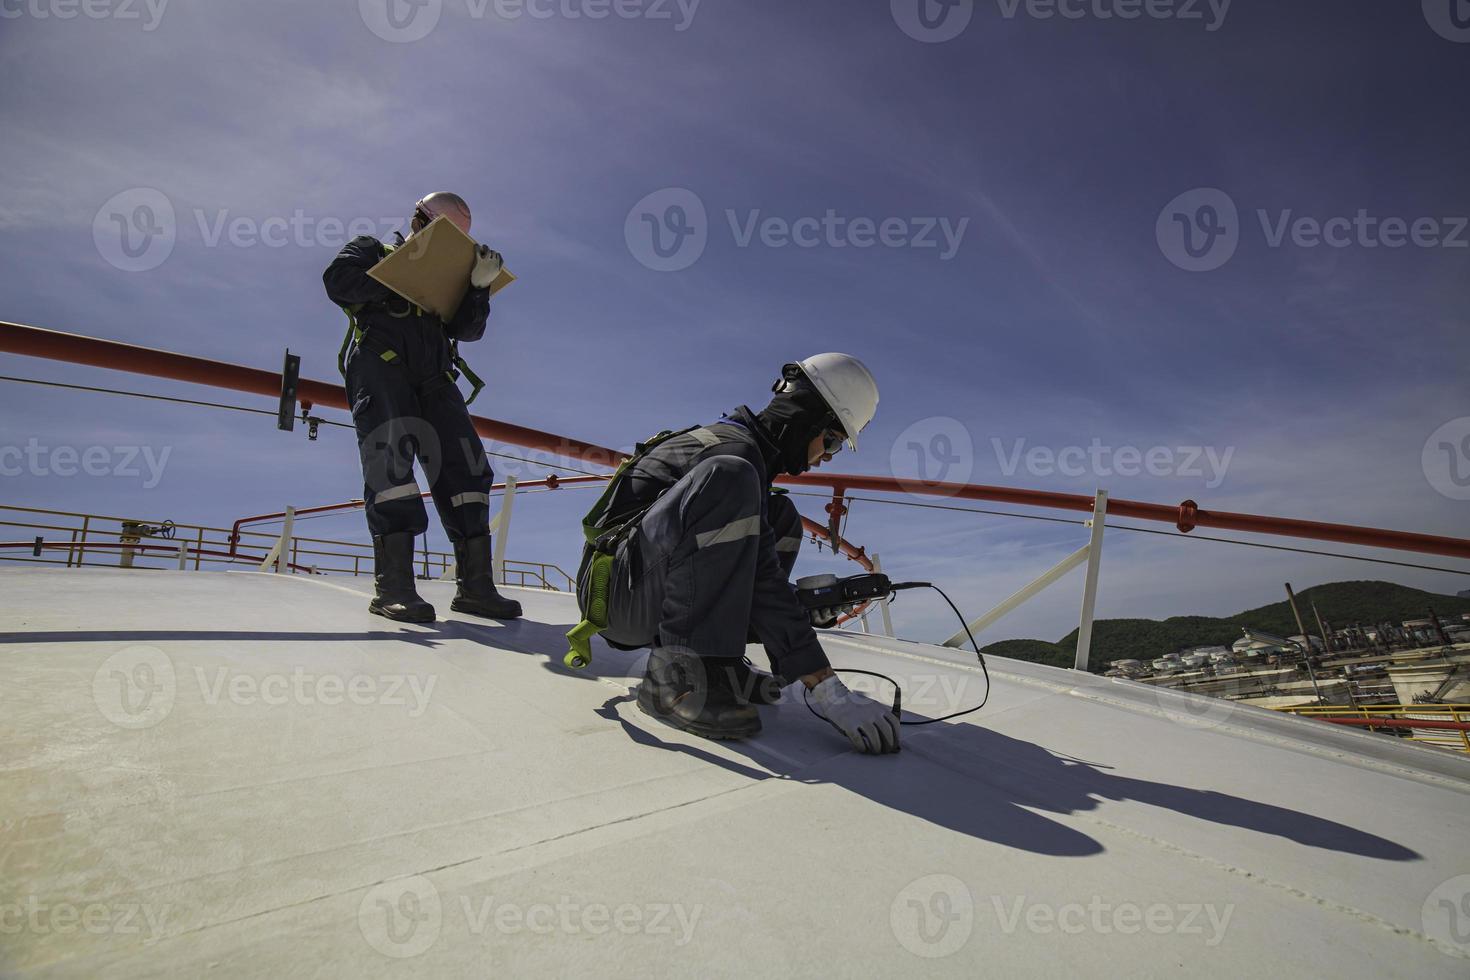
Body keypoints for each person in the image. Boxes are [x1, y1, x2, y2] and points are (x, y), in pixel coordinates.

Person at [575, 354, 900, 754]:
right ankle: (674, 678)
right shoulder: (734, 456)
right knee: (731, 478)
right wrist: (826, 688)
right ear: (806, 420)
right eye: (831, 440)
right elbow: (760, 575)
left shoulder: (746, 455)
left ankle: (719, 661)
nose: (828, 456)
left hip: (641, 586)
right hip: (612, 600)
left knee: (781, 516)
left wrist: (799, 611)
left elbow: (741, 569)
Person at [323, 192, 521, 623]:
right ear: (418, 221)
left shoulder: (458, 273)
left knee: (467, 471)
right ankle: (394, 588)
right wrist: (405, 274)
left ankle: (476, 588)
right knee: (391, 468)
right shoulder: (370, 249)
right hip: (381, 366)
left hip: (435, 377)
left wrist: (477, 288)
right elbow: (338, 281)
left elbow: (467, 331)